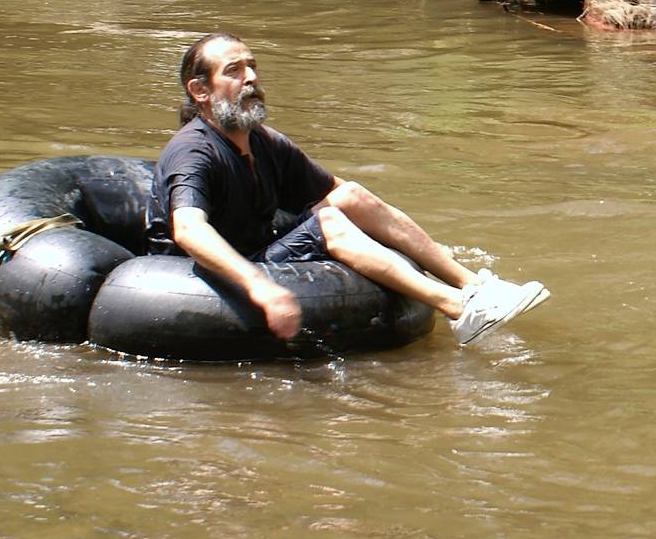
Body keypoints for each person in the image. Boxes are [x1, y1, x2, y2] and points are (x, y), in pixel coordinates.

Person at [145, 32, 547, 346]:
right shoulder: (193, 151)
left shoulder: (264, 141)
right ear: (200, 90)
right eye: (233, 70)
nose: (250, 77)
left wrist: (428, 249)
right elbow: (189, 230)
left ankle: (475, 287)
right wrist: (260, 286)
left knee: (348, 196)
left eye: (252, 67)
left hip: (255, 246)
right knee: (330, 222)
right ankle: (460, 311)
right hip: (192, 276)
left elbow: (340, 193)